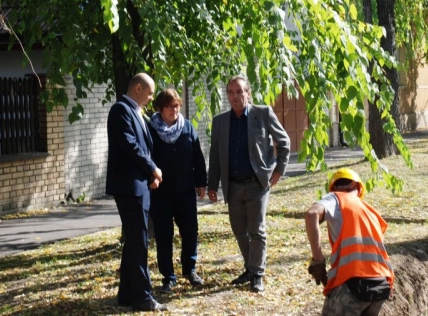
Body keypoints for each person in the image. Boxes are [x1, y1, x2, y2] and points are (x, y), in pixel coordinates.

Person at [207, 75, 290, 293]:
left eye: (239, 92)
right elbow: (215, 155)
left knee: (257, 230)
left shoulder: (262, 114)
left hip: (257, 183)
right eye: (231, 92)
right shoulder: (220, 121)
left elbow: (284, 142)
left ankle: (257, 274)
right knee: (239, 230)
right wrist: (212, 185)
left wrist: (278, 170)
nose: (235, 96)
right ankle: (250, 268)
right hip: (232, 185)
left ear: (248, 93)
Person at [105, 72, 167, 312]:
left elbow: (143, 147)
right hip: (129, 186)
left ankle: (127, 294)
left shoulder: (137, 112)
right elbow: (129, 145)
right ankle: (143, 297)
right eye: (150, 93)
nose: (152, 98)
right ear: (138, 89)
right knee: (140, 240)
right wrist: (153, 168)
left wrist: (150, 174)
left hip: (139, 184)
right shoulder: (121, 110)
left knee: (134, 239)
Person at [305, 168, 394, 316]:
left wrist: (318, 260)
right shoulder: (372, 212)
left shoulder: (335, 197)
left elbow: (311, 214)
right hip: (382, 285)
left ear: (333, 188)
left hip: (353, 284)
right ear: (359, 189)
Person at [149, 88, 208, 293]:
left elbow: (197, 156)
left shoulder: (187, 127)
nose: (174, 110)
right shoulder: (151, 130)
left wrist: (201, 181)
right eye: (169, 106)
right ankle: (168, 277)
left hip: (185, 191)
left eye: (176, 105)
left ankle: (190, 270)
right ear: (159, 108)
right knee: (164, 235)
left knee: (190, 232)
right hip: (161, 193)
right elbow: (146, 158)